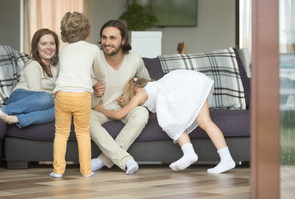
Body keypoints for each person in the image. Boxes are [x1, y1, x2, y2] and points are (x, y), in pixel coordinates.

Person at [94, 70, 236, 174]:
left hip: (188, 86)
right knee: (199, 121)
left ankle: (196, 154)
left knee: (176, 122)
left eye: (131, 97)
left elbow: (119, 115)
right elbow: (155, 114)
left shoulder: (141, 93)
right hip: (192, 83)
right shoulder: (157, 93)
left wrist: (102, 110)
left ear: (137, 89)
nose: (133, 101)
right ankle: (221, 157)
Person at [90, 20, 151, 175]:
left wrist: (131, 93)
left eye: (112, 38)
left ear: (123, 40)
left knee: (142, 113)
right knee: (83, 117)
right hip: (98, 109)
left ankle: (103, 161)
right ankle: (125, 160)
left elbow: (148, 85)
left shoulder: (135, 59)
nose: (107, 42)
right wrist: (93, 89)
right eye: (104, 38)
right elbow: (79, 89)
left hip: (124, 108)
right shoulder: (93, 58)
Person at [50, 12, 106, 178]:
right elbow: (100, 72)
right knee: (82, 133)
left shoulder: (64, 50)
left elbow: (59, 73)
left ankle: (58, 171)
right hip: (81, 95)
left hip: (61, 93)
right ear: (87, 30)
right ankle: (86, 170)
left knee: (60, 133)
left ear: (64, 31)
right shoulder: (93, 49)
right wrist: (97, 81)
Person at [0, 28, 60, 128]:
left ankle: (15, 119)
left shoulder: (55, 66)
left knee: (59, 110)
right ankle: (0, 110)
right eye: (44, 44)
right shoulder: (33, 65)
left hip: (39, 103)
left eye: (52, 43)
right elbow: (37, 92)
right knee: (47, 98)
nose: (49, 47)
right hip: (20, 97)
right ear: (36, 47)